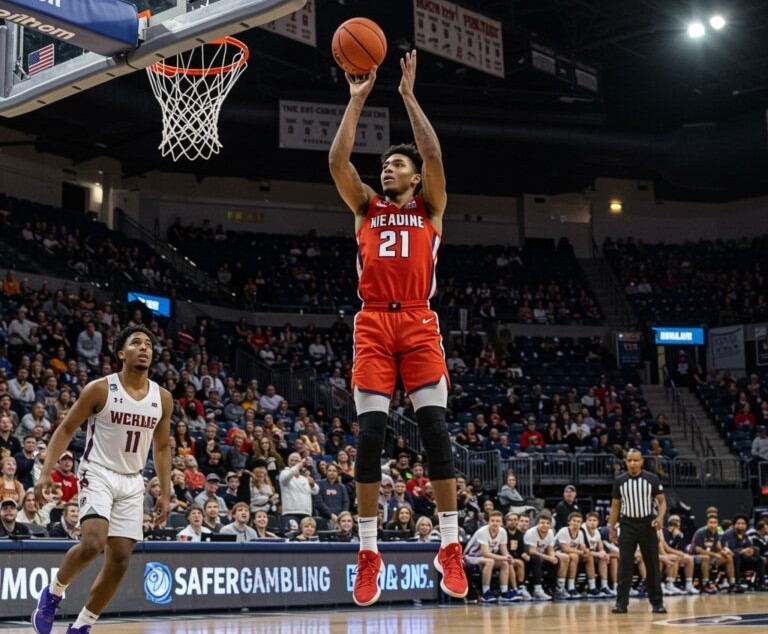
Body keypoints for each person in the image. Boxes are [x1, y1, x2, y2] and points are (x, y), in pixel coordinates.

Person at [329, 49, 467, 607]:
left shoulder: (429, 207)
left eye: (397, 165)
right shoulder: (366, 207)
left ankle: (449, 546)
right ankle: (368, 553)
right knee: (369, 438)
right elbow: (338, 162)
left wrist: (408, 97)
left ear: (414, 177)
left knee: (435, 431)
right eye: (384, 164)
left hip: (417, 320)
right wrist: (357, 99)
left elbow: (433, 154)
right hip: (372, 323)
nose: (388, 168)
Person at [32, 325, 172, 634]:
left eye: (149, 344)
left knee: (120, 559)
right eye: (136, 343)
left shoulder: (162, 398)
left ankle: (82, 626)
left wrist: (165, 492)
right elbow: (66, 428)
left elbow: (162, 447)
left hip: (133, 480)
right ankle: (53, 593)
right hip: (97, 471)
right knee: (93, 543)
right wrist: (45, 472)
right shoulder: (100, 389)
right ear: (121, 353)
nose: (144, 348)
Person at [608, 448, 667, 614]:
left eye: (635, 460)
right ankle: (621, 603)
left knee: (652, 564)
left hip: (648, 525)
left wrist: (660, 517)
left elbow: (662, 502)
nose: (632, 463)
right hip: (627, 525)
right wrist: (612, 528)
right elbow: (615, 506)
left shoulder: (652, 478)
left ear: (642, 461)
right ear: (625, 462)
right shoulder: (619, 481)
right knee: (625, 564)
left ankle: (657, 603)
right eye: (629, 460)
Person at [464, 510, 520, 603]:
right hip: (470, 556)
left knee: (505, 563)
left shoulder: (502, 531)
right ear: (488, 522)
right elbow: (486, 553)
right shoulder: (482, 531)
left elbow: (504, 550)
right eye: (492, 521)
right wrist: (504, 557)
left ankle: (504, 592)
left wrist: (508, 557)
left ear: (501, 523)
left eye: (497, 521)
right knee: (490, 561)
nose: (495, 523)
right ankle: (486, 593)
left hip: (485, 558)